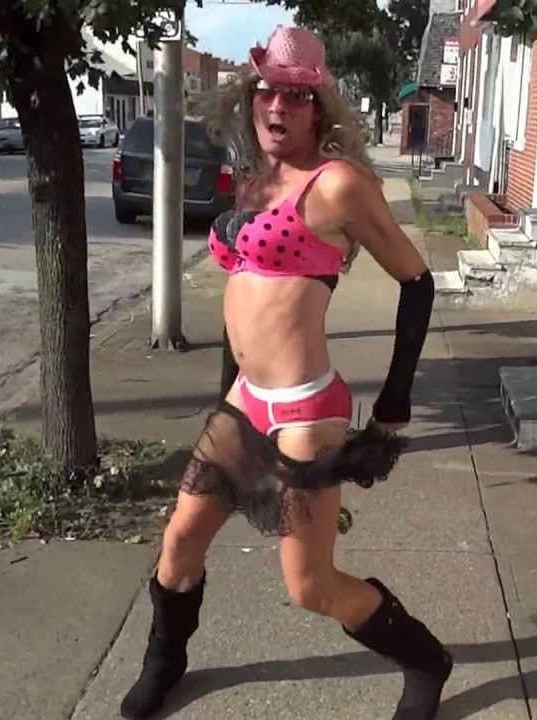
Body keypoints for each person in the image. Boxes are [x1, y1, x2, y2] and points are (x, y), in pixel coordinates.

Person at [118, 25, 452, 720]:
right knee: (178, 544)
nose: (278, 105)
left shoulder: (338, 185)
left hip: (304, 410)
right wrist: (225, 398)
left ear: (319, 109)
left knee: (310, 587)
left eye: (297, 96)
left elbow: (416, 282)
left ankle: (426, 660)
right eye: (268, 90)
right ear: (250, 97)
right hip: (245, 403)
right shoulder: (255, 182)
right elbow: (244, 302)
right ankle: (165, 661)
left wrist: (393, 404)